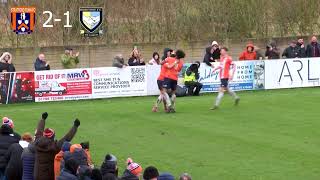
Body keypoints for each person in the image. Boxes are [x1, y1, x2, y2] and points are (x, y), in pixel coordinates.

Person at [34, 112, 80, 180]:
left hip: (37, 174)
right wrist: (75, 127)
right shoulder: (54, 147)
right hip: (48, 176)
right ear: (52, 136)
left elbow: (39, 130)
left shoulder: (37, 141)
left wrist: (43, 119)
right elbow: (67, 138)